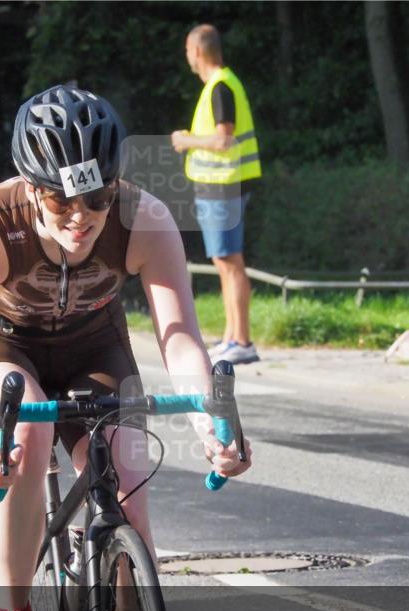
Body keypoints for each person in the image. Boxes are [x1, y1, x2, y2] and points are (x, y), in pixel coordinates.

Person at [0, 86, 251, 611]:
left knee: (128, 479)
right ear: (30, 188)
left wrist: (211, 424)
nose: (80, 217)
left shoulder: (146, 218)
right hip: (1, 347)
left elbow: (179, 336)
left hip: (91, 342)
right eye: (60, 201)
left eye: (98, 198)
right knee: (25, 428)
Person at [171, 24, 262, 365]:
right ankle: (231, 337)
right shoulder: (220, 85)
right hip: (220, 185)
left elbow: (224, 139)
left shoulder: (220, 86)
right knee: (225, 262)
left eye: (187, 51)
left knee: (229, 262)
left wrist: (186, 140)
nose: (187, 58)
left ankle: (242, 340)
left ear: (197, 51)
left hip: (224, 185)